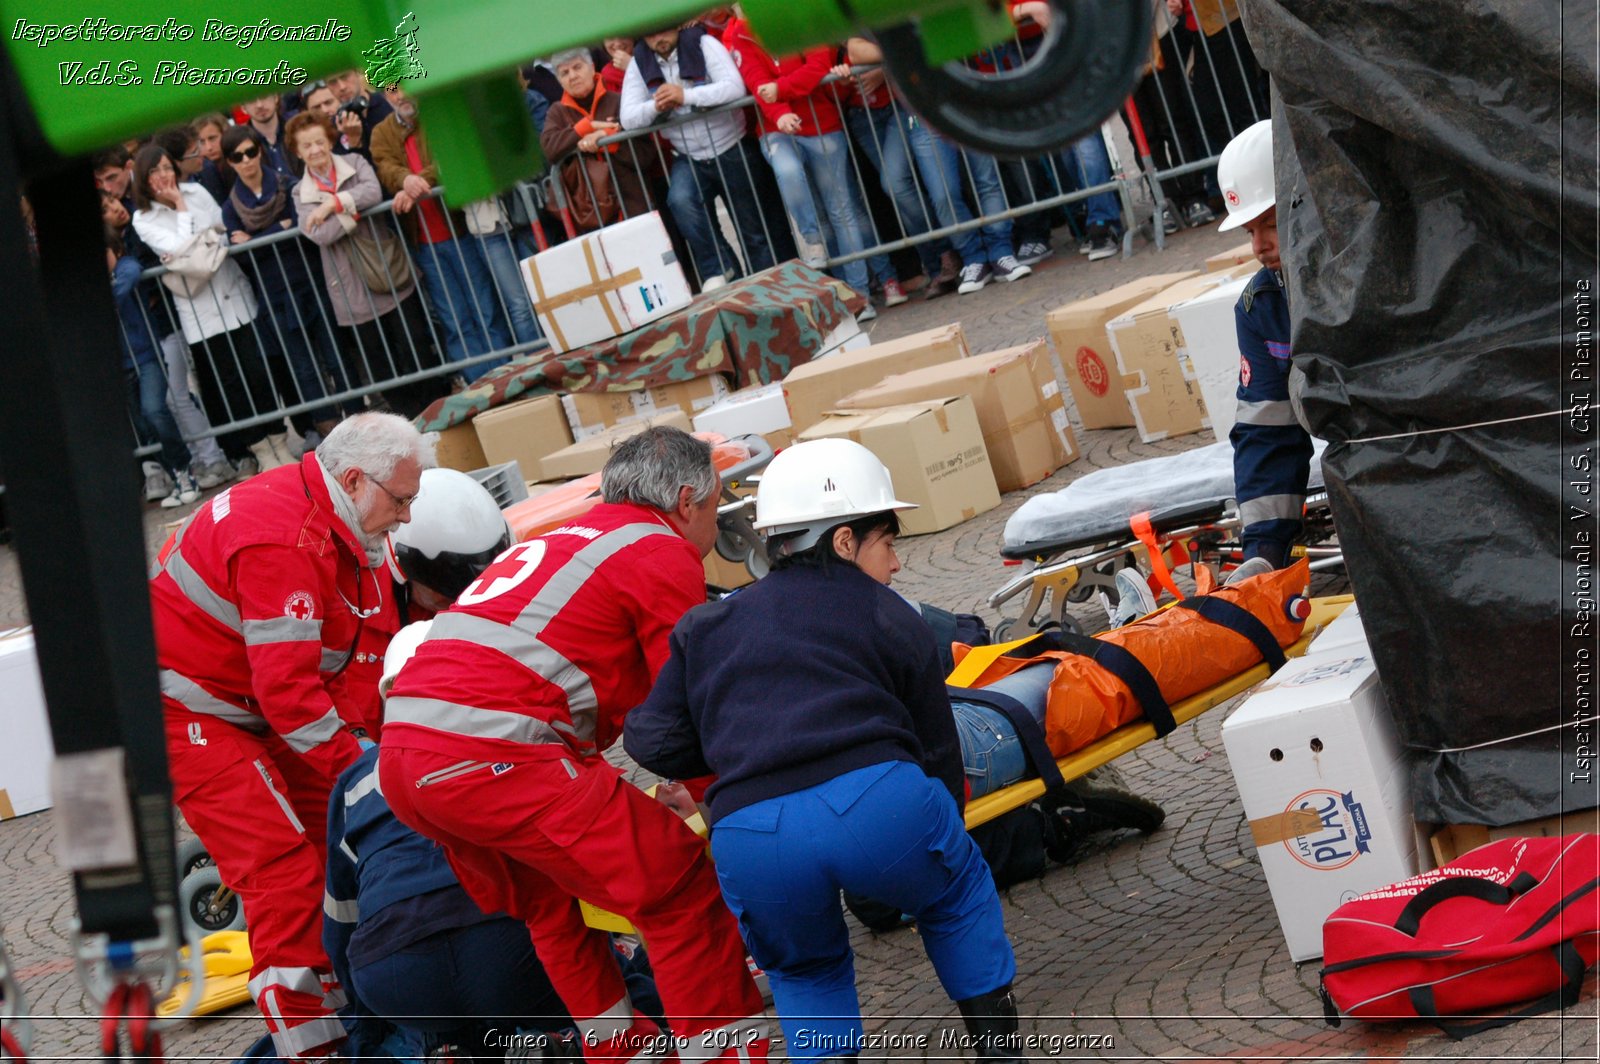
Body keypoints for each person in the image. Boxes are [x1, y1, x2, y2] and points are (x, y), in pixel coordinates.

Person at [623, 438, 1024, 1063]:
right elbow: (936, 749)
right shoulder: (890, 613)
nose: (895, 566)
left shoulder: (706, 625)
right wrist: (942, 838)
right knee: (956, 894)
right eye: (888, 543)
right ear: (842, 541)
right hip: (879, 801)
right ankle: (1001, 1053)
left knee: (805, 972)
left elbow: (649, 739)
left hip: (751, 831)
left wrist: (741, 741)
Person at [379, 426, 769, 1064]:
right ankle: (723, 1053)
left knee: (548, 903)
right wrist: (728, 814)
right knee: (676, 885)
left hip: (405, 755)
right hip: (496, 754)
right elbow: (689, 707)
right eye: (715, 504)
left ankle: (619, 1049)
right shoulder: (658, 550)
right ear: (687, 502)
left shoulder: (557, 539)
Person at [148, 412, 435, 1060]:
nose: (406, 518)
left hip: (246, 701)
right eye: (402, 500)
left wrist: (370, 757)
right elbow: (291, 696)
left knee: (343, 847)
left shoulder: (329, 520)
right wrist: (369, 771)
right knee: (286, 881)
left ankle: (360, 1013)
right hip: (192, 714)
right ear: (356, 480)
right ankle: (312, 1046)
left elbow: (332, 671)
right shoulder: (286, 538)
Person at [722, 18, 892, 322]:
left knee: (842, 213)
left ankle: (859, 295)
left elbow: (817, 66)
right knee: (795, 183)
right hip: (779, 128)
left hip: (824, 126)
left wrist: (780, 89)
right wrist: (782, 111)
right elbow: (757, 86)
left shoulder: (800, 19)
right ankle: (815, 246)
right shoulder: (742, 35)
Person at [131, 143, 279, 470]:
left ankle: (279, 438)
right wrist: (181, 210)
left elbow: (221, 228)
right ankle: (260, 450)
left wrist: (191, 242)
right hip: (201, 311)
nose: (164, 176)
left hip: (233, 291)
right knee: (231, 383)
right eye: (155, 171)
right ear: (143, 178)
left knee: (258, 372)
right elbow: (176, 249)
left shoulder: (196, 190)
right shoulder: (144, 218)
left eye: (167, 167)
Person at [286, 111, 440, 419]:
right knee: (379, 362)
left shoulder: (355, 163)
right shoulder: (299, 192)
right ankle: (407, 420)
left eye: (319, 141)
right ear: (297, 151)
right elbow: (321, 233)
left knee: (417, 344)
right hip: (348, 287)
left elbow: (373, 192)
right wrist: (354, 209)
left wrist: (334, 204)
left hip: (387, 270)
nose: (315, 150)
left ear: (329, 140)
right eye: (307, 146)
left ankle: (437, 408)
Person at [1217, 119, 1312, 577]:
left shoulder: (1359, 271)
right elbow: (1267, 431)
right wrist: (1263, 554)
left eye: (1270, 224)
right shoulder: (1259, 307)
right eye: (1248, 232)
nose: (1259, 246)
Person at [370, 85, 516, 384]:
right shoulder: (381, 133)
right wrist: (405, 180)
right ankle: (478, 386)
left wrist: (416, 184)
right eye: (391, 91)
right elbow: (385, 167)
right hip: (424, 242)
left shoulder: (437, 116)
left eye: (403, 87)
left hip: (460, 228)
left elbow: (448, 157)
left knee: (484, 309)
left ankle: (505, 379)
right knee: (455, 320)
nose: (400, 96)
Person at [618, 24, 776, 289]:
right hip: (687, 154)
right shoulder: (639, 62)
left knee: (754, 233)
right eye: (651, 33)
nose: (659, 37)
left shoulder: (705, 44)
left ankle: (772, 293)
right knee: (680, 201)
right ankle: (724, 272)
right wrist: (655, 106)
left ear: (678, 26)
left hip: (731, 145)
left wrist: (685, 95)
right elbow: (629, 117)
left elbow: (734, 88)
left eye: (664, 29)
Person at [219, 125, 341, 442]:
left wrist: (257, 239)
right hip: (273, 294)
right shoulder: (231, 207)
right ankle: (328, 432)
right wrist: (278, 229)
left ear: (260, 150)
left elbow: (300, 227)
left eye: (250, 151)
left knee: (336, 355)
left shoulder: (287, 184)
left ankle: (357, 419)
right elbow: (243, 257)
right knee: (303, 367)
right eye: (237, 156)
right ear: (230, 162)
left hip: (309, 280)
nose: (246, 160)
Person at [833, 41, 963, 300]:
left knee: (900, 183)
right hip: (861, 115)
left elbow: (875, 44)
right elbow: (823, 72)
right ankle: (939, 262)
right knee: (897, 190)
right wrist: (843, 79)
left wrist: (885, 67)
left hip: (899, 104)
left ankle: (949, 253)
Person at [105, 218, 199, 508]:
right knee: (144, 425)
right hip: (119, 364)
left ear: (115, 250)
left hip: (146, 356)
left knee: (155, 410)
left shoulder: (126, 266)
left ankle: (185, 470)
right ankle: (173, 474)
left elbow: (131, 272)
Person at [540, 48, 665, 234]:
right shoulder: (557, 112)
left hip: (631, 203)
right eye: (564, 73)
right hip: (587, 214)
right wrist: (584, 128)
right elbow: (549, 149)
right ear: (559, 80)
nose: (572, 76)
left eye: (577, 67)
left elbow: (646, 154)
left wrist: (608, 140)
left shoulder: (619, 101)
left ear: (591, 68)